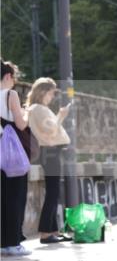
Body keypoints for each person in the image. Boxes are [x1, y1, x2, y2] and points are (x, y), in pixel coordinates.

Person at [25, 78, 72, 244]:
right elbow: (51, 129)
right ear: (43, 92)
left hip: (50, 151)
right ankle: (46, 232)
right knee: (53, 192)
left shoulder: (38, 108)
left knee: (54, 192)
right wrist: (61, 115)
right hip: (49, 151)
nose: (52, 97)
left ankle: (52, 230)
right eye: (51, 93)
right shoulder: (38, 109)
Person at [1, 61, 31, 256]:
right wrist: (27, 115)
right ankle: (14, 243)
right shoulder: (10, 94)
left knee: (3, 198)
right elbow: (20, 124)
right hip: (11, 156)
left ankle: (3, 243)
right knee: (15, 197)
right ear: (8, 77)